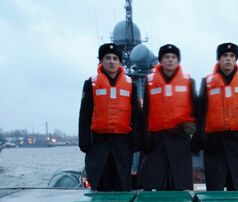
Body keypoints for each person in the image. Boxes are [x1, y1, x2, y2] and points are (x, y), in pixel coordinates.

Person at [78, 43, 142, 191]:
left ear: (120, 62)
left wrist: (137, 141)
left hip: (122, 143)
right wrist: (85, 141)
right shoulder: (91, 84)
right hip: (99, 144)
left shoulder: (130, 85)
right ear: (101, 61)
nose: (111, 61)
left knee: (122, 183)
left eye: (115, 58)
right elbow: (85, 113)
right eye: (107, 58)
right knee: (100, 183)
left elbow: (136, 115)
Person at [194, 43, 238, 192]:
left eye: (231, 56)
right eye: (224, 56)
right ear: (219, 59)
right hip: (214, 141)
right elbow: (200, 111)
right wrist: (200, 136)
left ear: (236, 59)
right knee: (215, 184)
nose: (228, 59)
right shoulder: (207, 82)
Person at [138, 44, 197, 191]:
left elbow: (196, 108)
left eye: (173, 57)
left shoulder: (189, 81)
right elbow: (146, 111)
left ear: (178, 61)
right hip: (157, 140)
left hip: (180, 138)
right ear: (160, 61)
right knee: (154, 182)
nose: (170, 60)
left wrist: (193, 128)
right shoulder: (150, 81)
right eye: (166, 57)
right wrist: (145, 137)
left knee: (180, 183)